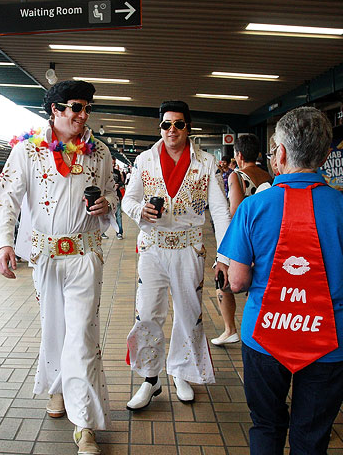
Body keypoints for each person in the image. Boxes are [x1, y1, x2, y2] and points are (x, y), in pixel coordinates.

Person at [219, 107, 343, 454]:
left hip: (264, 336)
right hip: (329, 340)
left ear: (281, 153)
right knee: (311, 436)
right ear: (324, 155)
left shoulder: (252, 207)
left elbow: (237, 281)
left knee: (266, 424)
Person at [0, 80, 117, 455]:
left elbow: (110, 191)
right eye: (76, 107)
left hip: (85, 256)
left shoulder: (100, 151)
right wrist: (4, 244)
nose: (83, 115)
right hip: (45, 258)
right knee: (53, 329)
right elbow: (6, 196)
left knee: (82, 336)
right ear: (54, 110)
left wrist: (106, 203)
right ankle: (58, 389)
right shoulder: (27, 150)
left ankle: (84, 423)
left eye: (87, 108)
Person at [122, 100, 231, 410]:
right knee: (148, 312)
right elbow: (128, 201)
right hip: (153, 247)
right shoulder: (144, 160)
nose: (172, 130)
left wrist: (223, 255)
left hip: (189, 248)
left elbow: (220, 210)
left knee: (188, 312)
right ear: (160, 128)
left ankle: (181, 370)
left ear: (188, 128)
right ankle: (150, 378)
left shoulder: (206, 162)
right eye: (166, 124)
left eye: (179, 124)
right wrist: (139, 210)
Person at [211, 134, 272, 347]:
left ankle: (230, 330)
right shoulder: (269, 176)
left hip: (243, 237)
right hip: (264, 238)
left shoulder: (236, 176)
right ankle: (256, 327)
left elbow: (236, 211)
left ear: (238, 155)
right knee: (256, 283)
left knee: (223, 281)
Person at [112, 157, 126, 239]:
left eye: (114, 163)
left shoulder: (117, 172)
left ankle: (119, 232)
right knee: (104, 216)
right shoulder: (103, 171)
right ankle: (102, 232)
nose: (113, 165)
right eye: (112, 163)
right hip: (106, 196)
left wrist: (118, 184)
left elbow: (121, 182)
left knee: (118, 215)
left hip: (116, 195)